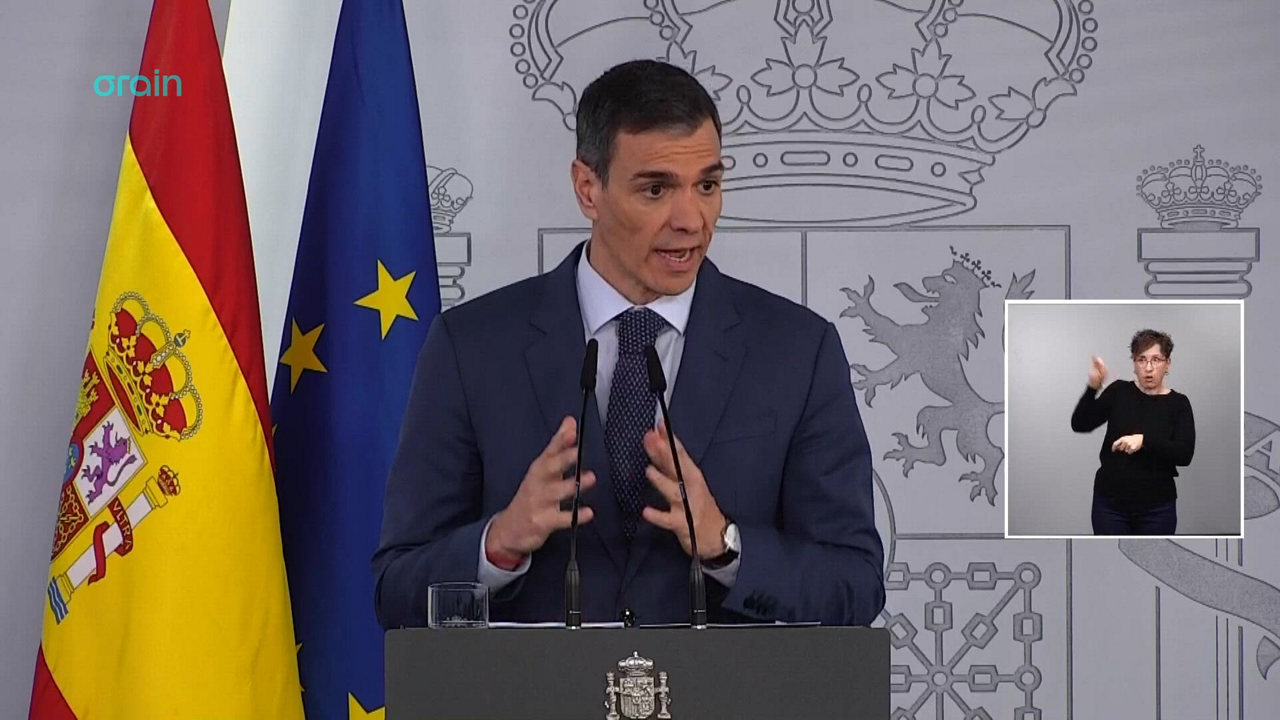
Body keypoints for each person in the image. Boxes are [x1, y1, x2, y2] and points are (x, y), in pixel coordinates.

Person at [372, 60, 885, 627]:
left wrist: (725, 545)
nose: (691, 220)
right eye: (656, 189)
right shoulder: (471, 347)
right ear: (588, 189)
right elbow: (396, 590)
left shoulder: (797, 352)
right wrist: (500, 543)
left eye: (707, 185)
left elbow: (855, 585)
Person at [1070, 329, 1196, 535]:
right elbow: (1080, 423)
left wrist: (1144, 440)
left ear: (1167, 364)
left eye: (1156, 359)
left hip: (1158, 509)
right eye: (1141, 359)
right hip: (1110, 506)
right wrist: (1093, 387)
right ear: (1134, 363)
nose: (1148, 367)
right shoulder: (1119, 392)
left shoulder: (1179, 404)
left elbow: (1184, 454)